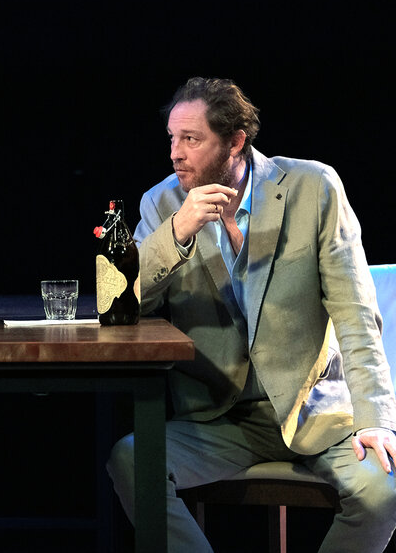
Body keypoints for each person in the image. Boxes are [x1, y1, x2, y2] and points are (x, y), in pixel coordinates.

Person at [106, 77, 396, 551]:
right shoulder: (162, 203)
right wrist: (176, 233)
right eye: (172, 139)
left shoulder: (312, 187)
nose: (175, 154)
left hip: (315, 413)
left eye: (191, 139)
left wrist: (376, 419)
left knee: (383, 491)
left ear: (236, 141)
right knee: (130, 460)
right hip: (219, 419)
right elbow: (117, 303)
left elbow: (357, 315)